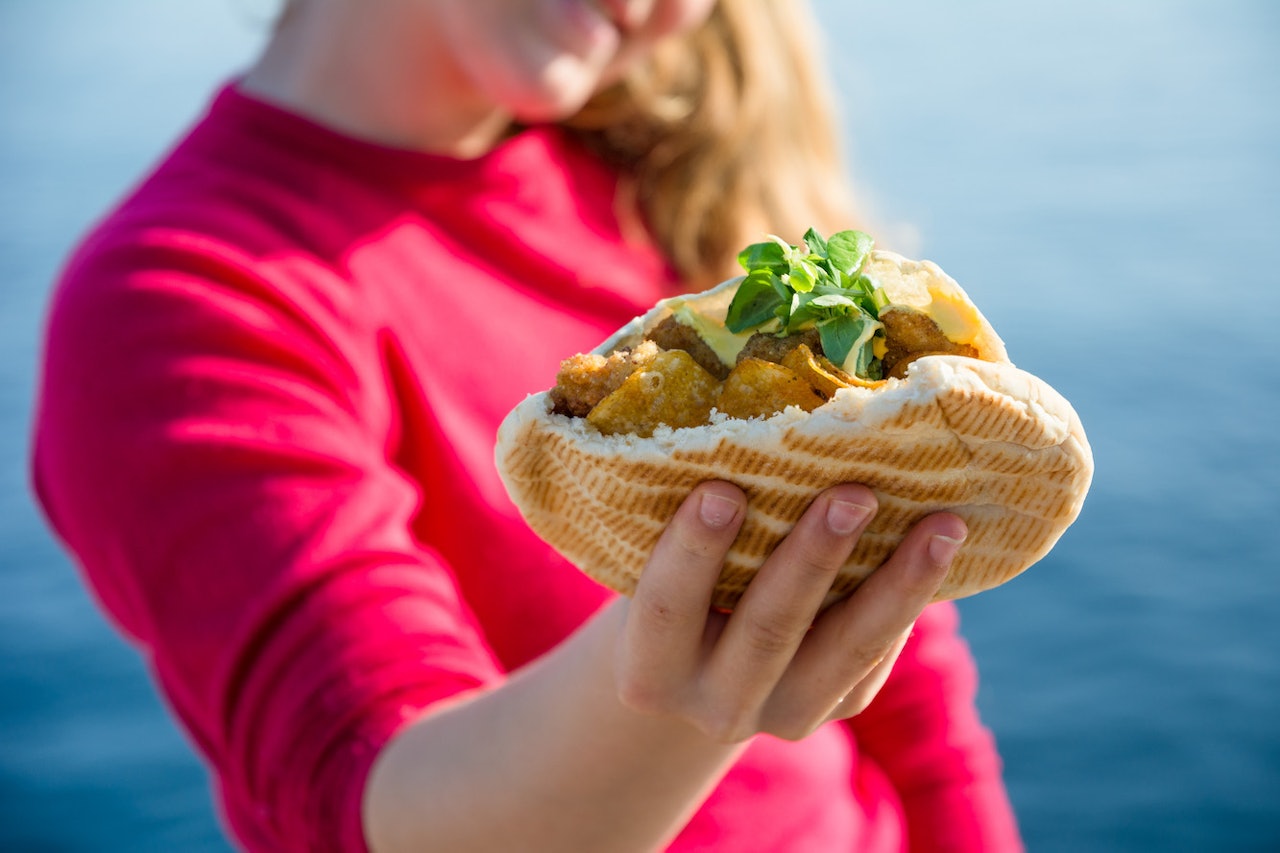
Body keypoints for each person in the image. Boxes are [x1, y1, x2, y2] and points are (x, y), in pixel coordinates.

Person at [31, 0, 1024, 850]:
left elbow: (912, 689)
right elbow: (381, 799)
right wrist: (710, 638)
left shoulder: (668, 180)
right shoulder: (178, 298)